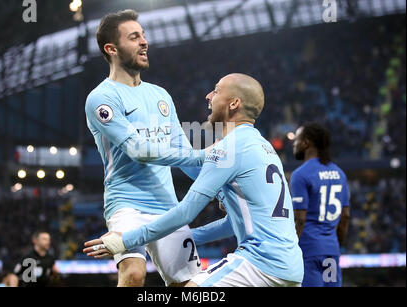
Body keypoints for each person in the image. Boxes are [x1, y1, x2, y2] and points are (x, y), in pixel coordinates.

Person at [84, 73, 304, 287]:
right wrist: (180, 238)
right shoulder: (262, 146)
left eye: (216, 91)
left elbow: (186, 212)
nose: (209, 95)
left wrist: (124, 240)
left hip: (259, 262)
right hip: (291, 268)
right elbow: (232, 223)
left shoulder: (227, 149)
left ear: (234, 103)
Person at [85, 9, 206, 287]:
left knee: (190, 284)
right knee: (134, 274)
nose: (144, 42)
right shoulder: (102, 98)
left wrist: (216, 186)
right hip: (127, 203)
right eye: (134, 37)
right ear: (111, 48)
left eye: (144, 35)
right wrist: (206, 154)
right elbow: (138, 150)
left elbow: (184, 156)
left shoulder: (160, 95)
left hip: (168, 205)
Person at [290, 123, 350, 287]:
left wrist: (290, 250)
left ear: (306, 143)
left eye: (297, 139)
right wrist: (335, 244)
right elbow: (345, 216)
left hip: (308, 253)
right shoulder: (339, 173)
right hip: (331, 253)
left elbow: (300, 219)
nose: (294, 143)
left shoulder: (300, 175)